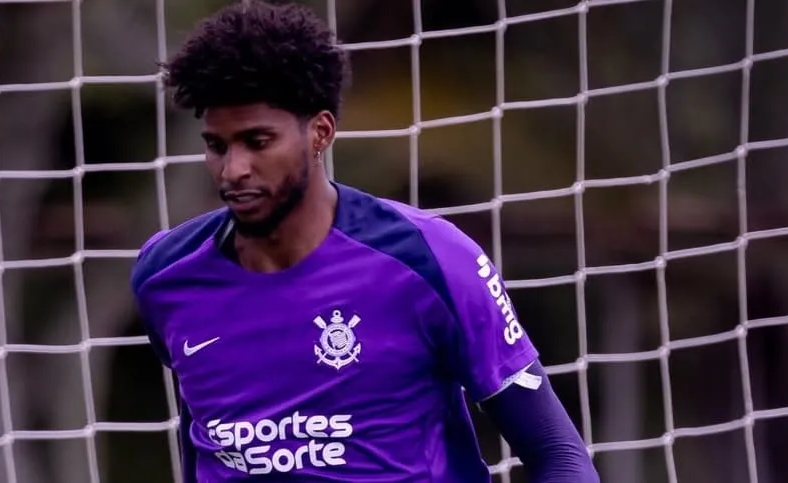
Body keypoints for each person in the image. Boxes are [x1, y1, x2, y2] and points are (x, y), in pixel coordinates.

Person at [130, 1, 600, 481]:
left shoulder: (431, 259)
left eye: (258, 141)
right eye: (217, 146)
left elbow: (558, 454)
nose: (233, 170)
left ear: (320, 132)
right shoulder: (166, 274)